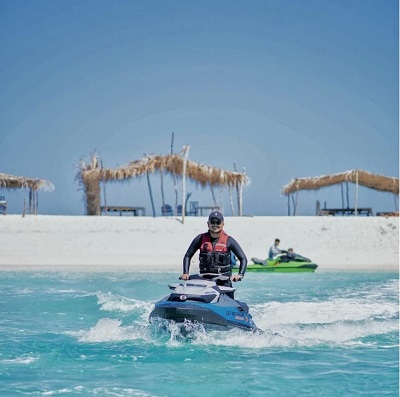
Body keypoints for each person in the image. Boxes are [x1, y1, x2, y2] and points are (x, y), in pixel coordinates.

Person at [181, 211, 247, 299]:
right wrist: (185, 273)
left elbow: (243, 258)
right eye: (212, 222)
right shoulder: (200, 239)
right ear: (208, 224)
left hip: (224, 282)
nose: (215, 225)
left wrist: (240, 275)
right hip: (204, 280)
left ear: (223, 224)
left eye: (218, 222)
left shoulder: (229, 241)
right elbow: (187, 256)